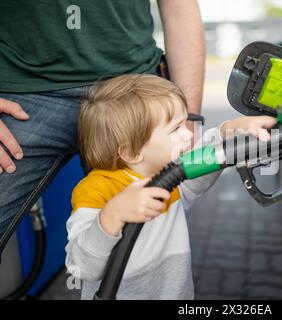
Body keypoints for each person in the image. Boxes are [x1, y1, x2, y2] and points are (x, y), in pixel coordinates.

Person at [0, 0, 205, 254]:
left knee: (146, 250)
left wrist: (188, 119)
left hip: (135, 93)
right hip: (23, 91)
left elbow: (179, 7)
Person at [65, 74, 277, 299]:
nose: (188, 133)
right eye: (175, 129)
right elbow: (81, 267)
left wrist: (228, 133)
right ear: (131, 152)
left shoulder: (168, 173)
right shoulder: (95, 190)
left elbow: (202, 167)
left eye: (184, 122)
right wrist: (112, 215)